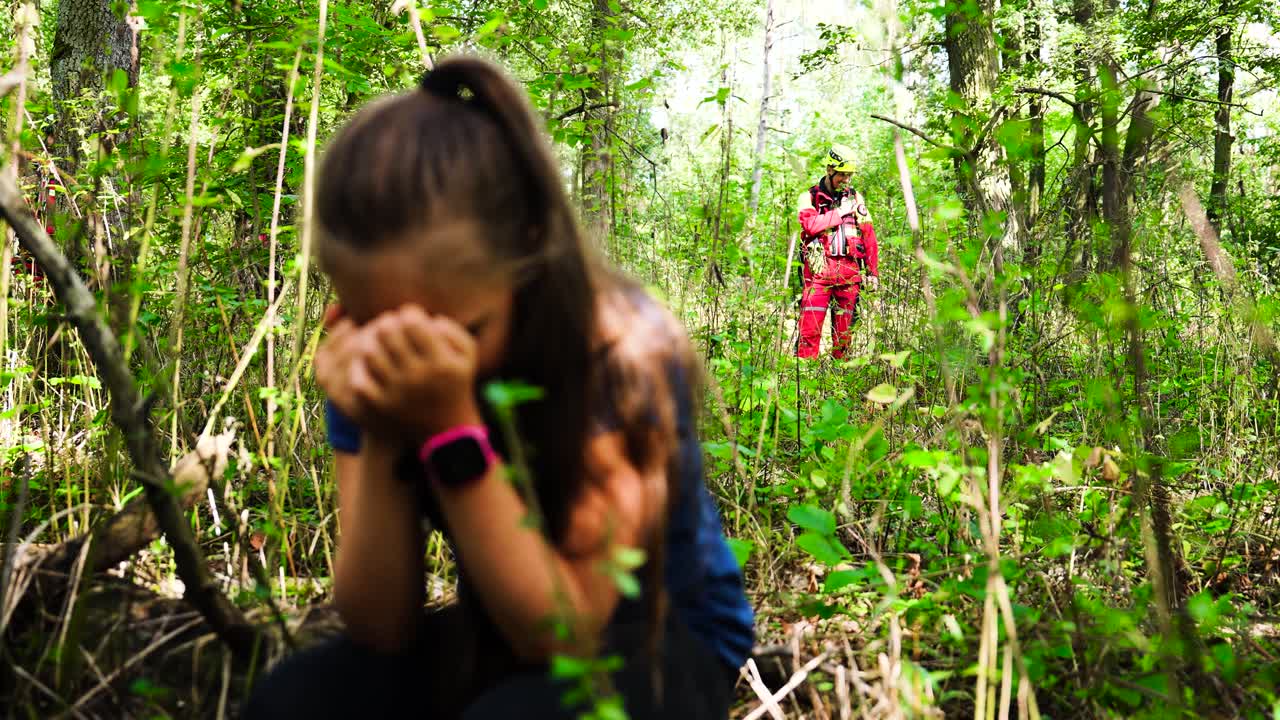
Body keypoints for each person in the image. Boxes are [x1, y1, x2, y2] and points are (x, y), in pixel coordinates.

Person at [242, 56, 753, 720]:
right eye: (376, 326)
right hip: (504, 617)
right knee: (297, 699)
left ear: (526, 255)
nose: (417, 354)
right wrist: (378, 424)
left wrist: (451, 432)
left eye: (462, 329)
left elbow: (567, 633)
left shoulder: (620, 350)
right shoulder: (377, 354)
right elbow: (379, 626)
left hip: (659, 638)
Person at [795, 144, 880, 359]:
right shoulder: (809, 197)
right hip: (818, 273)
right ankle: (803, 382)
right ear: (829, 170)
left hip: (850, 273)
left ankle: (840, 377)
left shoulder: (856, 197)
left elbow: (868, 235)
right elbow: (811, 226)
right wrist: (840, 213)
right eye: (842, 174)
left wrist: (872, 272)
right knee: (809, 331)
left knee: (844, 334)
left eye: (849, 175)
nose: (846, 180)